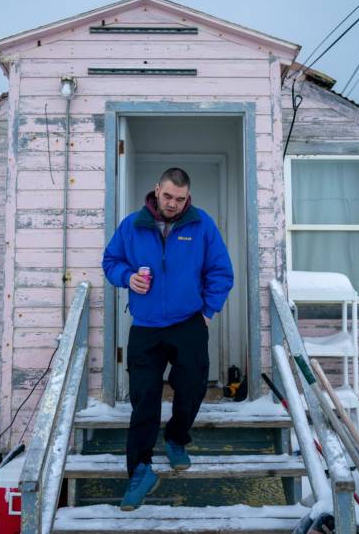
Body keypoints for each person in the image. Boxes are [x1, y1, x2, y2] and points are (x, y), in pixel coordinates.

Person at [102, 167, 234, 511]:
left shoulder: (201, 224)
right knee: (143, 397)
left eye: (180, 198)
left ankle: (176, 438)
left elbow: (221, 271)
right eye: (168, 196)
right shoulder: (132, 224)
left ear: (187, 197)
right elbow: (110, 261)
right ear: (156, 190)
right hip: (145, 325)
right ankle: (140, 470)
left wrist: (207, 312)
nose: (173, 204)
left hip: (188, 321)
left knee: (191, 385)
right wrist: (128, 278)